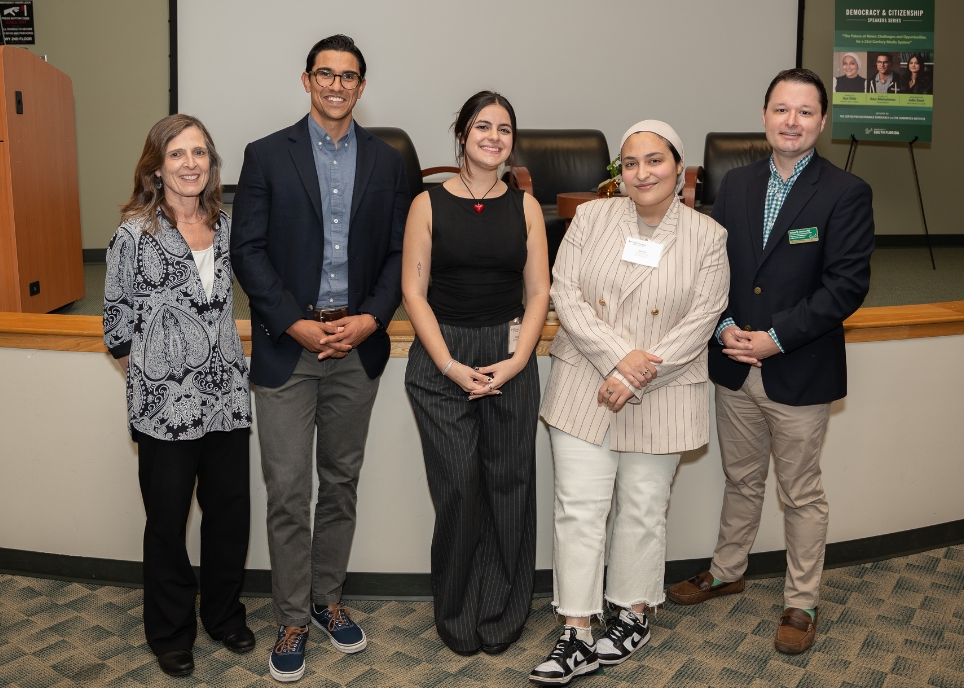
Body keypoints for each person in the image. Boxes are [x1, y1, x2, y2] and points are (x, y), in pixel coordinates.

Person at [666, 69, 875, 655]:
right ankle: (728, 569)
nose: (792, 121)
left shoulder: (845, 193)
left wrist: (775, 339)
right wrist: (728, 328)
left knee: (800, 492)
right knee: (741, 479)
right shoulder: (734, 185)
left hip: (796, 368)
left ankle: (802, 600)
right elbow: (716, 269)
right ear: (764, 116)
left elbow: (845, 288)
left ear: (822, 121)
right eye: (781, 109)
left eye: (805, 112)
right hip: (735, 362)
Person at [230, 34, 409, 683]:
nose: (337, 85)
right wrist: (296, 324)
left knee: (340, 482)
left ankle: (327, 600)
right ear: (307, 80)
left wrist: (368, 320)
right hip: (289, 348)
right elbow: (246, 250)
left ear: (362, 87)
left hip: (355, 347)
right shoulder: (265, 155)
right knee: (287, 490)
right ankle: (291, 617)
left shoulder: (389, 163)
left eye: (350, 76)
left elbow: (398, 254)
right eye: (326, 74)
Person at [529, 120, 730, 685]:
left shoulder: (706, 236)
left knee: (643, 509)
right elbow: (564, 291)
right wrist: (621, 361)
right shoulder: (591, 218)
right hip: (587, 383)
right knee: (579, 509)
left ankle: (633, 612)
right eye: (631, 162)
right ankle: (575, 629)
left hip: (661, 390)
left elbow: (703, 317)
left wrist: (640, 374)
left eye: (655, 160)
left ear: (680, 169)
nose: (642, 173)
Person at [103, 114, 254, 677]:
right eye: (177, 154)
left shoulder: (228, 225)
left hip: (226, 401)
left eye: (200, 154)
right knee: (166, 522)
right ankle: (170, 632)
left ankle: (223, 614)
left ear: (212, 165)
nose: (190, 164)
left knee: (228, 515)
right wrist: (152, 379)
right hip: (164, 411)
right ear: (156, 166)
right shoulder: (134, 232)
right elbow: (115, 325)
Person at [402, 91, 549, 656]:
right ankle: (459, 607)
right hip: (444, 357)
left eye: (505, 128)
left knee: (510, 485)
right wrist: (449, 365)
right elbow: (413, 291)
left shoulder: (527, 206)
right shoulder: (428, 203)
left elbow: (539, 291)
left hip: (510, 353)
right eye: (482, 126)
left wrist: (515, 363)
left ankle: (505, 607)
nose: (494, 136)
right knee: (460, 488)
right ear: (462, 134)